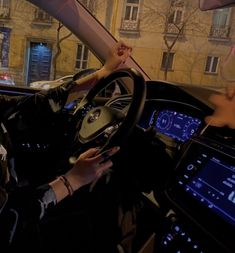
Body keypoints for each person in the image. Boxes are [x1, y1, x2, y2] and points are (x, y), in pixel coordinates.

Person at [0, 40, 132, 250]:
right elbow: (11, 220)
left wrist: (104, 71)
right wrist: (72, 180)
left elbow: (35, 106)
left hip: (18, 192)